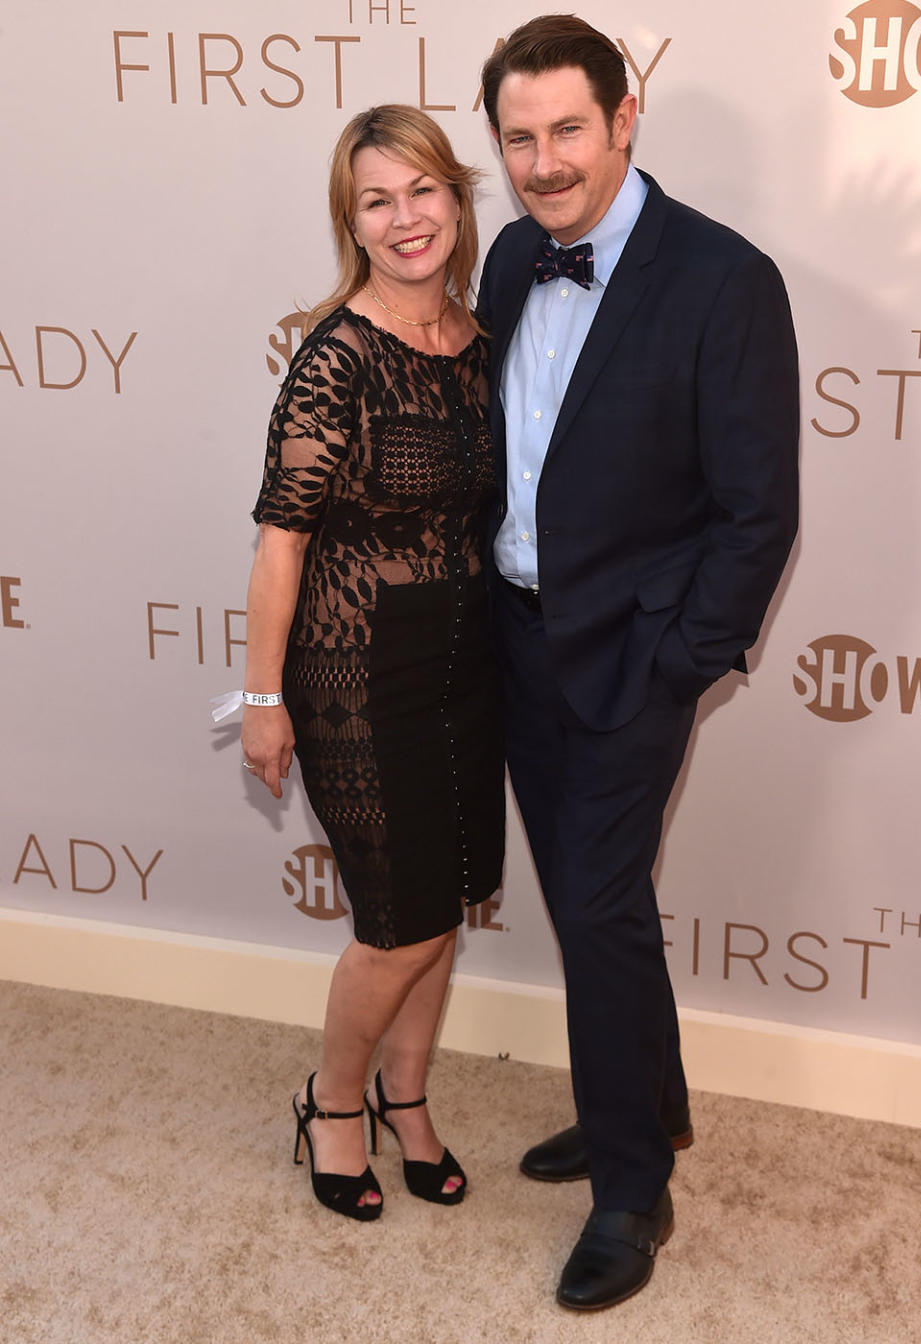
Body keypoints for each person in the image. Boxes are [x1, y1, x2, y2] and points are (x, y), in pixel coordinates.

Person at [477, 16, 799, 1310]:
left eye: (567, 129)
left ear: (624, 118)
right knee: (587, 898)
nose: (544, 162)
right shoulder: (507, 258)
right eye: (519, 137)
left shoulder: (724, 278)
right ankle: (649, 1107)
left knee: (600, 903)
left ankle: (629, 1191)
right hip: (511, 637)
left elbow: (757, 509)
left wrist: (683, 662)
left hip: (633, 660)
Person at [240, 105, 504, 1221]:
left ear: (455, 198)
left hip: (464, 661)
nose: (406, 220)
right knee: (401, 921)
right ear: (353, 222)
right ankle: (334, 1100)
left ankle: (408, 1098)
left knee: (444, 902)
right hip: (355, 669)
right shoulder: (334, 359)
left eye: (422, 192)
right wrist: (262, 700)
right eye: (376, 202)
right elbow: (281, 540)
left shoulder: (477, 339)